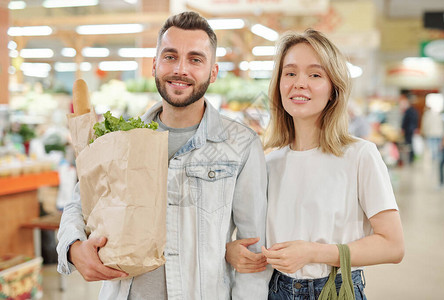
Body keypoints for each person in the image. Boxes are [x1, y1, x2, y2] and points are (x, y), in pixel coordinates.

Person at [57, 11, 268, 299]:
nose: (181, 69)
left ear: (214, 72)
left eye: (195, 59)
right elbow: (79, 203)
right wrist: (73, 247)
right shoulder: (120, 138)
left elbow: (253, 252)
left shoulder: (240, 145)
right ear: (155, 64)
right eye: (170, 56)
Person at [226, 29, 404, 299]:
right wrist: (232, 251)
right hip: (276, 289)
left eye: (315, 74)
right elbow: (254, 235)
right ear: (278, 84)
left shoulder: (360, 155)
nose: (299, 83)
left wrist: (314, 252)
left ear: (333, 90)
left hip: (334, 288)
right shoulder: (268, 163)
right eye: (290, 73)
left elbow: (393, 246)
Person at [400, 92, 419, 164]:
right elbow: (416, 120)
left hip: (408, 130)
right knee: (410, 143)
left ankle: (410, 158)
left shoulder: (408, 111)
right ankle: (411, 157)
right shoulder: (414, 111)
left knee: (409, 144)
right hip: (411, 129)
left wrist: (402, 128)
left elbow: (405, 121)